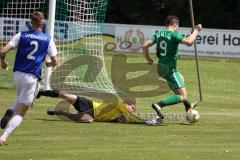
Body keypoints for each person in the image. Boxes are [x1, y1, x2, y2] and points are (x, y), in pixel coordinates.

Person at [0, 12, 58, 146]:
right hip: (32, 77)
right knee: (22, 112)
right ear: (42, 24)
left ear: (31, 23)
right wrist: (48, 64)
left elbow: (2, 51)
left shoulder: (21, 35)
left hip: (18, 75)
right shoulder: (48, 39)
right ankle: (3, 137)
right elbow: (55, 61)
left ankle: (11, 110)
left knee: (23, 98)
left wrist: (3, 62)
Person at [142, 15, 202, 121]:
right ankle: (159, 105)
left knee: (181, 80)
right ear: (175, 25)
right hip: (170, 70)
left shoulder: (158, 34)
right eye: (177, 26)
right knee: (183, 95)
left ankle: (188, 106)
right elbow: (188, 42)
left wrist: (148, 59)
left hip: (161, 68)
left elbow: (144, 45)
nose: (177, 28)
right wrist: (196, 30)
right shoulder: (174, 35)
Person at [36, 89, 139, 123]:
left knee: (87, 120)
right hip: (91, 106)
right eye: (132, 108)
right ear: (127, 104)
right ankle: (43, 92)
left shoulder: (120, 115)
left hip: (92, 112)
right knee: (66, 95)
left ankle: (59, 112)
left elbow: (124, 119)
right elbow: (132, 118)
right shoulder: (121, 105)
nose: (132, 110)